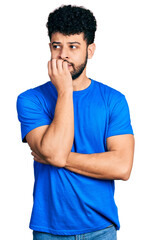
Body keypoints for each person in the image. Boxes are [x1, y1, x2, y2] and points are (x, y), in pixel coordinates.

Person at [16, 5, 135, 240]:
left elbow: (122, 167)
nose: (63, 55)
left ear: (90, 50)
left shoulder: (113, 100)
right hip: (50, 229)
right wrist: (64, 91)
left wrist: (56, 158)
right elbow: (55, 154)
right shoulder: (30, 100)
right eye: (56, 46)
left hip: (101, 227)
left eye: (73, 46)